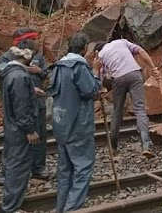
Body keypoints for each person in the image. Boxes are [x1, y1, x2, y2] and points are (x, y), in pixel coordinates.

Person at [49, 33, 101, 212]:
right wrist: (95, 72)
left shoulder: (58, 66)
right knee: (83, 167)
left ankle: (61, 207)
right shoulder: (79, 67)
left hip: (60, 124)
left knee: (65, 170)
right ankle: (71, 208)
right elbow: (92, 91)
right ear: (85, 48)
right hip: (78, 126)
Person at [0, 27, 51, 182]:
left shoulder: (37, 56)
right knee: (14, 140)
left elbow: (45, 74)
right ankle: (7, 173)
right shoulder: (6, 58)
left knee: (39, 135)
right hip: (16, 104)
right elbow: (2, 75)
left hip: (37, 103)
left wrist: (39, 70)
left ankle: (38, 168)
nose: (35, 43)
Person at [94, 38, 161, 158]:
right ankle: (145, 145)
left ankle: (113, 147)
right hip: (135, 73)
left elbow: (101, 77)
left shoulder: (101, 54)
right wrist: (153, 68)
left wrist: (100, 90)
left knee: (117, 112)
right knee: (140, 109)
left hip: (119, 78)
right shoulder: (121, 42)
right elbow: (141, 51)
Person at [0, 40, 40, 213]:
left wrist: (30, 90)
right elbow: (22, 108)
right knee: (19, 166)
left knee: (11, 162)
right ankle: (11, 207)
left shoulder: (9, 73)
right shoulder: (20, 77)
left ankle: (10, 200)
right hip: (20, 130)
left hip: (11, 127)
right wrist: (30, 130)